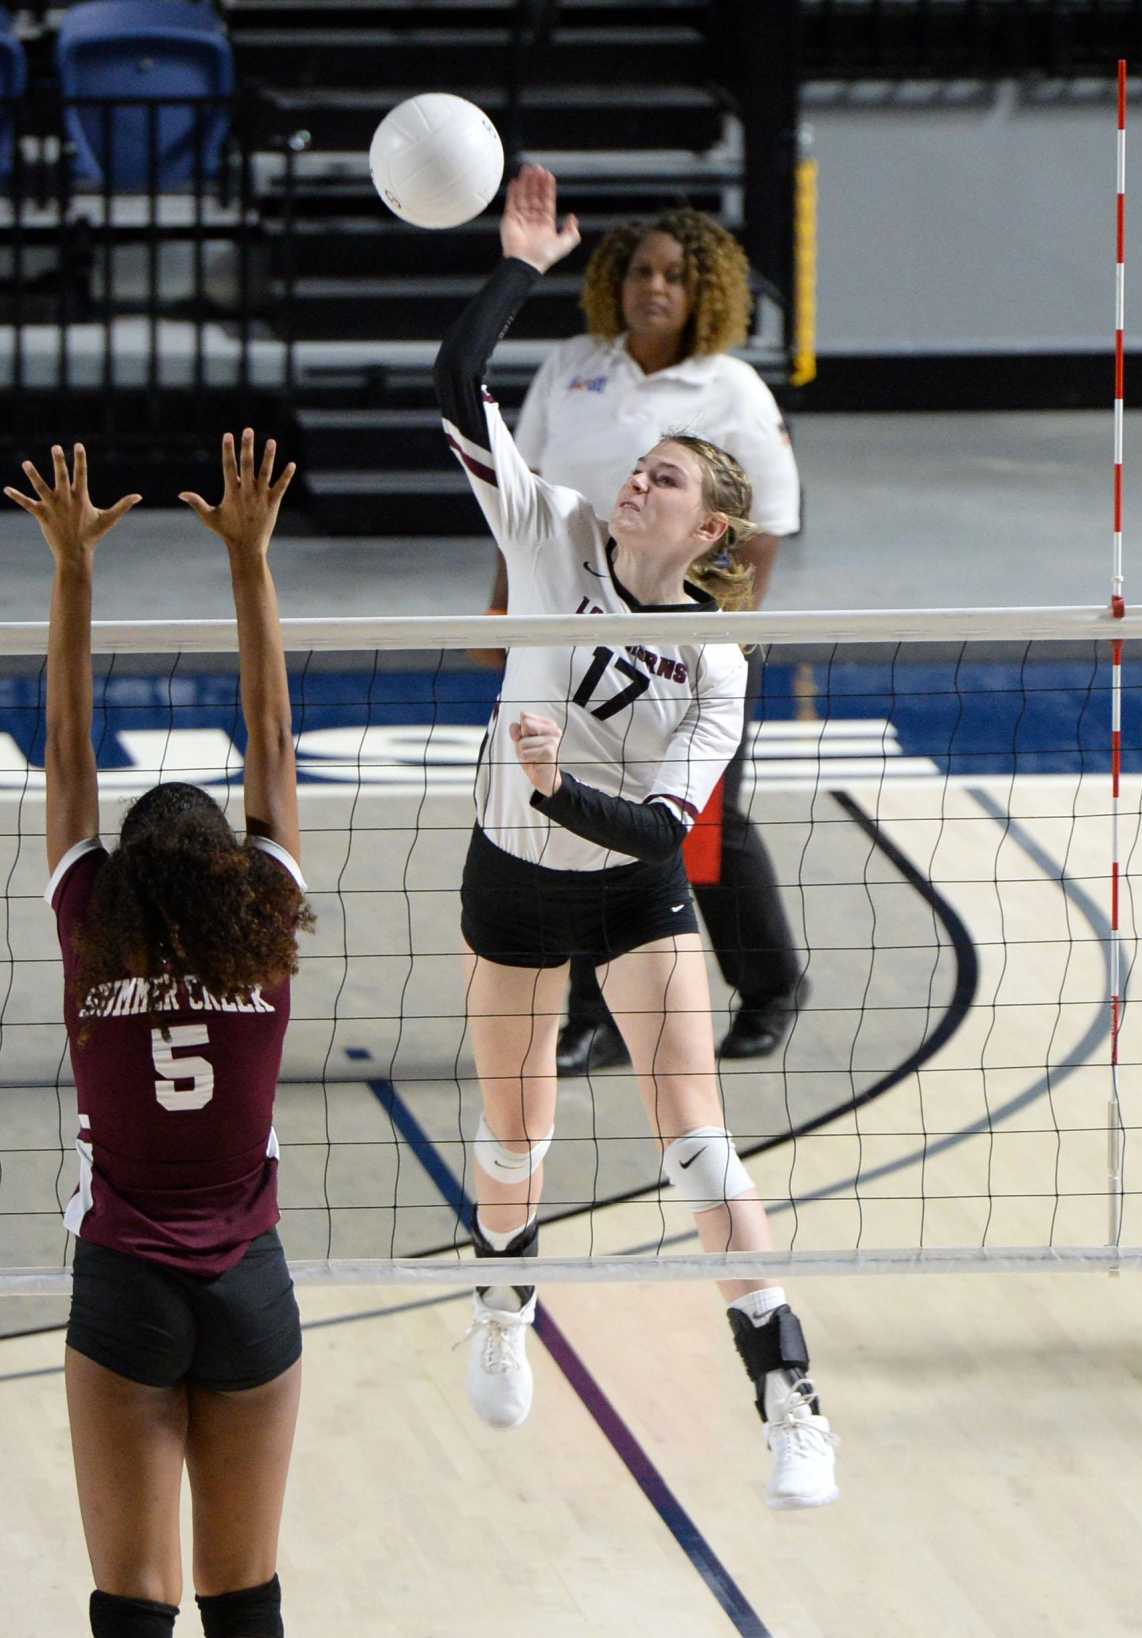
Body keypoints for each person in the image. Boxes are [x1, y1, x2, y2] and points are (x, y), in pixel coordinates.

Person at [433, 164, 837, 1508]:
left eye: (658, 478)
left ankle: (789, 1390)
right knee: (515, 1141)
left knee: (698, 1143)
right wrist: (518, 269)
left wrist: (556, 791)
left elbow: (666, 829)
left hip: (627, 885)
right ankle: (504, 1305)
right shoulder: (551, 532)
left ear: (708, 524)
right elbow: (454, 381)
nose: (630, 485)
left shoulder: (712, 662)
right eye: (631, 472)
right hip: (514, 884)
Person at [7, 432, 312, 1637]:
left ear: (122, 872)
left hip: (125, 1280)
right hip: (249, 1283)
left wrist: (74, 571)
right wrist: (248, 561)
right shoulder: (265, 929)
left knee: (131, 1604)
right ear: (236, 873)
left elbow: (67, 746)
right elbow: (275, 741)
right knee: (247, 1599)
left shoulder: (92, 925)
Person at [486, 202, 807, 1072]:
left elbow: (769, 523)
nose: (653, 287)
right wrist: (503, 606)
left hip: (680, 639)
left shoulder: (730, 388)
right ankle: (594, 1012)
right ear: (613, 284)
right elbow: (528, 494)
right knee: (588, 816)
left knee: (704, 828)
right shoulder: (574, 368)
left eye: (672, 274)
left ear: (703, 290)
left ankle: (771, 985)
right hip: (579, 627)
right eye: (639, 271)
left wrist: (715, 644)